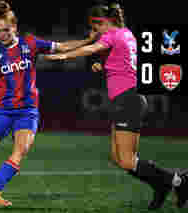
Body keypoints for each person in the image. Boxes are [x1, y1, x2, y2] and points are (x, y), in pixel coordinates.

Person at [0, 0, 97, 206]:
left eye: (5, 30)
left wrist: (86, 41)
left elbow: (62, 47)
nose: (1, 34)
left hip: (27, 111)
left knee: (20, 150)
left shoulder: (30, 44)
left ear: (15, 27)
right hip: (2, 110)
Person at [44, 3, 188, 210]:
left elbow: (91, 48)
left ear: (103, 22)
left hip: (128, 101)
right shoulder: (126, 34)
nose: (94, 33)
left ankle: (178, 182)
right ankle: (162, 185)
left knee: (128, 161)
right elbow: (123, 61)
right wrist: (104, 64)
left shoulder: (111, 35)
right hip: (129, 99)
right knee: (117, 157)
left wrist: (64, 55)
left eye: (95, 27)